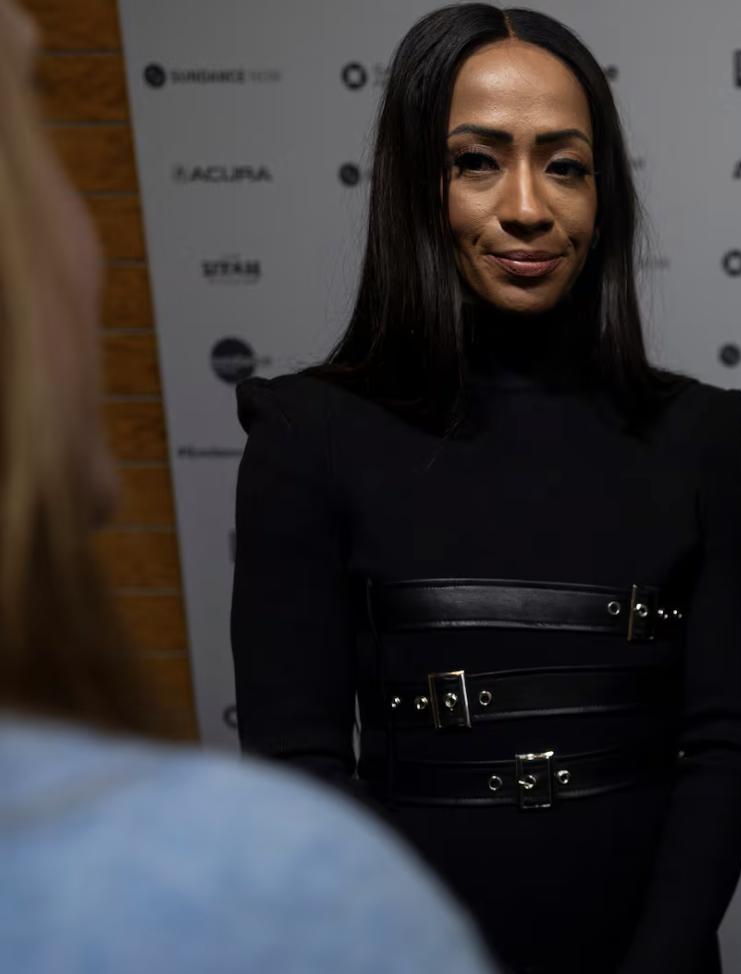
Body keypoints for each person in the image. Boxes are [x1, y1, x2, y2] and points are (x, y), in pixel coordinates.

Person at [229, 6, 741, 972]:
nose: (528, 206)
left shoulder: (699, 433)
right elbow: (297, 765)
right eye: (477, 161)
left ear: (605, 195)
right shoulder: (304, 436)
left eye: (565, 165)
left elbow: (723, 748)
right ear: (413, 185)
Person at [0, 4, 494, 972]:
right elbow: (295, 743)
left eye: (564, 163)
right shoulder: (267, 886)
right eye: (34, 139)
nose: (88, 237)